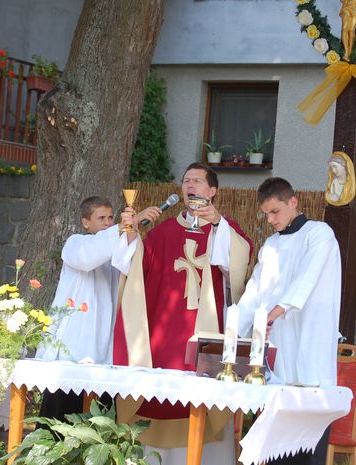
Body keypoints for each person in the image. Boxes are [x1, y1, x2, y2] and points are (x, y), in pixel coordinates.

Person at [113, 162, 252, 464]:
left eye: (197, 181)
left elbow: (235, 267)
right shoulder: (163, 232)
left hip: (207, 331)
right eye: (186, 180)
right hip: (165, 339)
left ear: (212, 191)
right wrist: (131, 232)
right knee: (158, 396)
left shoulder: (224, 230)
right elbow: (133, 268)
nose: (190, 185)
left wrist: (218, 224)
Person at [233, 177, 342, 465]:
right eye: (266, 214)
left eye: (275, 211)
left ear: (293, 202)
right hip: (279, 350)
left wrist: (276, 311)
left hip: (309, 346)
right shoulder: (271, 245)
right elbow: (255, 291)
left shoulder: (319, 234)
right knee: (274, 446)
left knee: (308, 446)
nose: (270, 220)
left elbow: (308, 276)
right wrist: (233, 332)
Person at [35, 196, 137, 421]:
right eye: (101, 218)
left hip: (104, 334)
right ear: (86, 222)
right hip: (75, 335)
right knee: (63, 402)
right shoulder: (75, 243)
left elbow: (128, 263)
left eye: (110, 218)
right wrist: (120, 228)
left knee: (101, 403)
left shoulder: (112, 246)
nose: (107, 223)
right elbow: (88, 257)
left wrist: (130, 233)